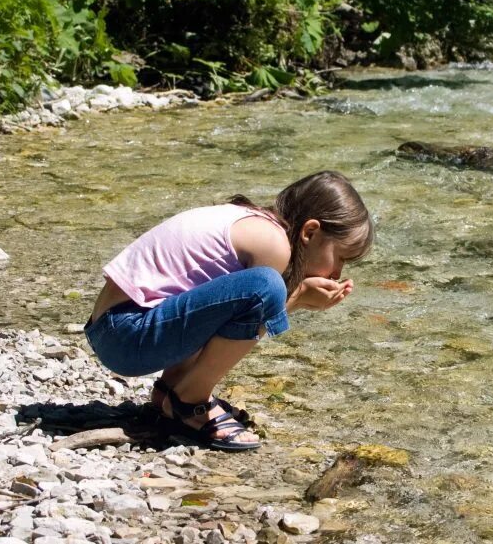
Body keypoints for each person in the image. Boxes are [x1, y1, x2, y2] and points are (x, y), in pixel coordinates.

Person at [84, 170, 374, 452]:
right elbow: (257, 310)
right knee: (267, 286)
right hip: (126, 337)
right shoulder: (274, 245)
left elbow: (215, 313)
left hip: (114, 328)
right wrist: (297, 297)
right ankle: (189, 402)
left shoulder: (251, 221)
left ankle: (170, 391)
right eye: (340, 257)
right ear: (310, 231)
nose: (338, 272)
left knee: (250, 293)